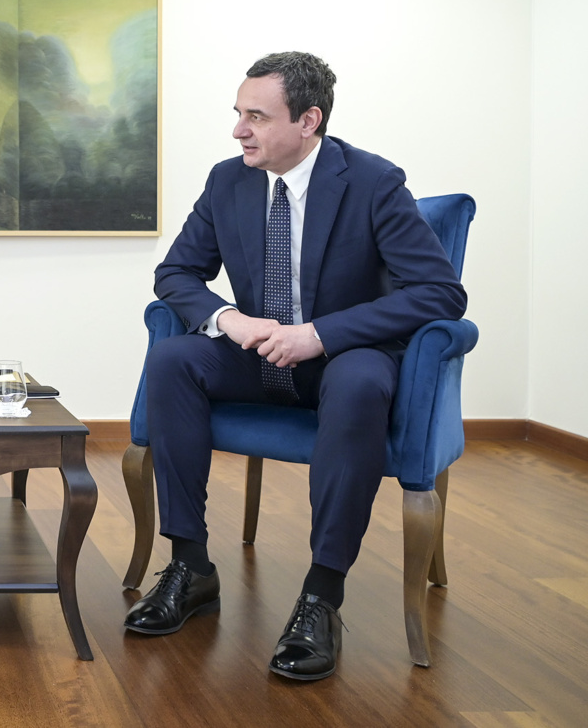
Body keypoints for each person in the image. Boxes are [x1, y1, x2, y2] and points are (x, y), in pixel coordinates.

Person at [126, 52, 466, 680]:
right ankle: (190, 566)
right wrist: (229, 320)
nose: (239, 130)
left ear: (308, 120)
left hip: (343, 362)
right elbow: (175, 272)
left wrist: (320, 335)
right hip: (260, 354)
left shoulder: (373, 182)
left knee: (360, 381)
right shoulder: (228, 181)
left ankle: (322, 596)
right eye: (238, 113)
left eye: (256, 116)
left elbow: (440, 294)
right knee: (174, 359)